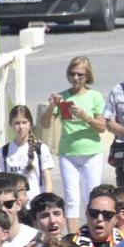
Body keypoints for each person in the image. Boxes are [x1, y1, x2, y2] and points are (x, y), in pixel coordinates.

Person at [47, 57, 110, 217]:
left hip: (91, 152)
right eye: (72, 74)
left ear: (87, 76)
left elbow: (102, 127)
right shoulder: (63, 97)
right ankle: (73, 236)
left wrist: (85, 116)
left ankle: (92, 234)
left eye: (80, 75)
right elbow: (45, 124)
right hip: (68, 153)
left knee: (92, 196)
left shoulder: (95, 96)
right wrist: (51, 107)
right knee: (71, 199)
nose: (76, 78)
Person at [0, 103, 54, 200]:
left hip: (35, 205)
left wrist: (45, 200)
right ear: (10, 124)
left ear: (30, 124)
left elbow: (48, 181)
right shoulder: (4, 151)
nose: (21, 127)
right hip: (14, 205)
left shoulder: (40, 149)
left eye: (24, 122)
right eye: (17, 123)